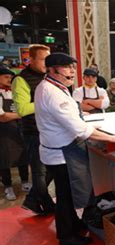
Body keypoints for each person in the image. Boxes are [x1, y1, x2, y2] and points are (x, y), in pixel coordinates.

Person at [34, 53, 115, 245]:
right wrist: (112, 138)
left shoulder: (53, 87)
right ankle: (67, 236)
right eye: (66, 67)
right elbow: (80, 129)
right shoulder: (52, 93)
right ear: (51, 70)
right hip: (62, 154)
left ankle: (73, 225)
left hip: (60, 149)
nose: (71, 71)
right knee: (66, 196)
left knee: (67, 194)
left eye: (72, 67)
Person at [12, 44, 55, 215]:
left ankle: (32, 200)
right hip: (33, 132)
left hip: (50, 130)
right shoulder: (20, 80)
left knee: (51, 168)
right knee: (39, 171)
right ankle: (45, 204)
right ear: (31, 59)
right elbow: (22, 109)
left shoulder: (48, 76)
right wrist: (47, 102)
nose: (47, 62)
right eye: (44, 59)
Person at [0, 67, 30, 201]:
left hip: (20, 129)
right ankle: (8, 186)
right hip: (4, 132)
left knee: (23, 156)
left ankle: (24, 182)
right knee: (4, 159)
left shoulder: (15, 92)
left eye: (10, 77)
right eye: (6, 76)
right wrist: (21, 113)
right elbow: (2, 117)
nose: (9, 79)